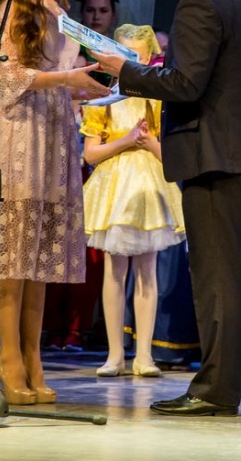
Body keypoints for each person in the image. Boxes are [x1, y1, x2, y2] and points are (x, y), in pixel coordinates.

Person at [92, 0, 241, 417]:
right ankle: (224, 382)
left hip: (215, 157)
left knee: (216, 277)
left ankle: (215, 390)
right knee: (227, 275)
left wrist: (125, 71)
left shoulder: (200, 2)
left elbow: (186, 83)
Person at [0, 0, 109, 405]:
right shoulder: (13, 11)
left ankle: (33, 356)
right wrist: (66, 78)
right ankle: (8, 361)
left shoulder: (60, 12)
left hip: (56, 133)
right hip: (22, 134)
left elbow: (64, 75)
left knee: (40, 261)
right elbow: (10, 77)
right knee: (15, 259)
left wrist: (88, 88)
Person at [82, 25, 185, 378]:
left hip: (148, 188)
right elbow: (91, 154)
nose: (129, 62)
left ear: (149, 58)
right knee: (114, 270)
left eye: (137, 56)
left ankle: (144, 355)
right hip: (114, 187)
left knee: (147, 271)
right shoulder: (103, 97)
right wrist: (127, 140)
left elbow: (170, 155)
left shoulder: (156, 99)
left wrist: (149, 143)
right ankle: (114, 354)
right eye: (124, 54)